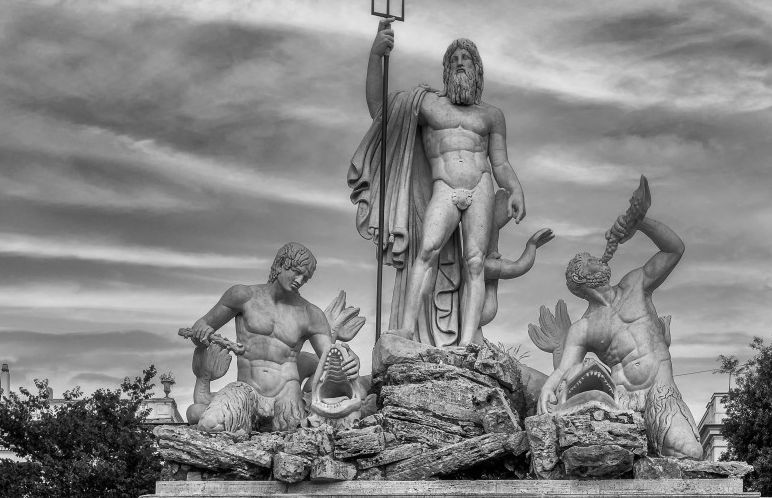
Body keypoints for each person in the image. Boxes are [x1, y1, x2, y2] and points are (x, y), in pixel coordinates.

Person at [348, 23, 530, 348]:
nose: (461, 62)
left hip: (481, 187)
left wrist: (515, 189)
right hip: (444, 186)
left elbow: (500, 163)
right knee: (427, 251)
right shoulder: (428, 105)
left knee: (475, 262)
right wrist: (376, 55)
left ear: (477, 69)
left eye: (467, 58)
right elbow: (379, 111)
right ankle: (405, 329)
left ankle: (468, 341)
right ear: (447, 69)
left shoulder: (491, 116)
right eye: (455, 58)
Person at [540, 209, 703, 458]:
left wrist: (640, 223)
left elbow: (674, 250)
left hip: (661, 392)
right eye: (591, 259)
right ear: (579, 275)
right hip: (621, 403)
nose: (600, 259)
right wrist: (547, 390)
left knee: (691, 453)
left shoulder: (635, 284)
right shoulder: (583, 328)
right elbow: (564, 370)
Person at [182, 243, 364, 433]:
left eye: (306, 278)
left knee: (297, 436)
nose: (300, 280)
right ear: (280, 264)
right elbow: (200, 327)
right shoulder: (243, 296)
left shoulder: (311, 314)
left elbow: (332, 356)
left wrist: (351, 361)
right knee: (211, 423)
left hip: (287, 396)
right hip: (246, 390)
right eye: (296, 271)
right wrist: (200, 334)